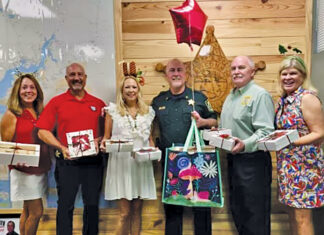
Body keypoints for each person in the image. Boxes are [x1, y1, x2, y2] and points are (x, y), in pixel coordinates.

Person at [36, 63, 105, 235]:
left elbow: (107, 135)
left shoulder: (99, 104)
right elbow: (42, 132)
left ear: (85, 78)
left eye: (80, 74)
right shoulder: (56, 103)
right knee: (65, 205)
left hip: (93, 163)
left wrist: (100, 139)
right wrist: (61, 147)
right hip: (67, 162)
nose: (76, 78)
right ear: (66, 79)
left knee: (92, 205)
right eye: (72, 75)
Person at [152, 58, 217, 235]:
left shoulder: (200, 98)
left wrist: (203, 121)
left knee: (202, 205)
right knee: (173, 206)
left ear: (186, 74)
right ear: (166, 75)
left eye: (179, 70)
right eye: (172, 70)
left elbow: (215, 120)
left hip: (198, 159)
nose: (176, 74)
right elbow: (147, 126)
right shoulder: (158, 101)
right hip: (171, 160)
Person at [220, 56, 274, 235]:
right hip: (234, 160)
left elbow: (266, 131)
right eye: (233, 68)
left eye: (241, 67)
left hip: (253, 162)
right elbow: (228, 128)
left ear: (252, 72)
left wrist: (245, 144)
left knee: (255, 215)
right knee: (239, 211)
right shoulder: (231, 96)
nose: (236, 72)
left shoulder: (260, 95)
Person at [100, 75, 156, 235]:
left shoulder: (148, 112)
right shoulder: (112, 111)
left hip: (141, 164)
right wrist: (104, 145)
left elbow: (149, 139)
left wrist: (154, 152)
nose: (131, 90)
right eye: (127, 87)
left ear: (138, 90)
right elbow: (106, 138)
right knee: (124, 213)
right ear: (122, 91)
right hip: (122, 165)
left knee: (137, 211)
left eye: (134, 87)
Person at [275, 56, 324, 235]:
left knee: (303, 218)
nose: (288, 77)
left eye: (293, 73)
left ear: (302, 76)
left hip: (305, 168)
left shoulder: (307, 98)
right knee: (293, 214)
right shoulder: (283, 101)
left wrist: (289, 142)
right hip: (288, 167)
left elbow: (319, 133)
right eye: (284, 73)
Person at [1, 73, 51, 235]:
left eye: (32, 87)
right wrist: (15, 161)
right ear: (17, 91)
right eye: (24, 87)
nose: (28, 91)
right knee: (36, 212)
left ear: (37, 91)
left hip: (40, 168)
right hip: (23, 170)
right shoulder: (11, 115)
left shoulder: (40, 111)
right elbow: (6, 146)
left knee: (27, 211)